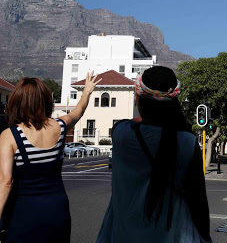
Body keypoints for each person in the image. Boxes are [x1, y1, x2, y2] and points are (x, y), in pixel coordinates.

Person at [96, 66, 211, 243]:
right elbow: (199, 201)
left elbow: (132, 121)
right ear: (173, 101)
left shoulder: (121, 134)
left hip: (123, 236)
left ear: (138, 99)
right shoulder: (187, 142)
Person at [0, 73, 101, 242]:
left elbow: (5, 182)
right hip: (57, 209)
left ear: (17, 102)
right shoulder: (60, 126)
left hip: (23, 212)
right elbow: (79, 110)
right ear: (46, 101)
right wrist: (87, 92)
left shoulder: (9, 136)